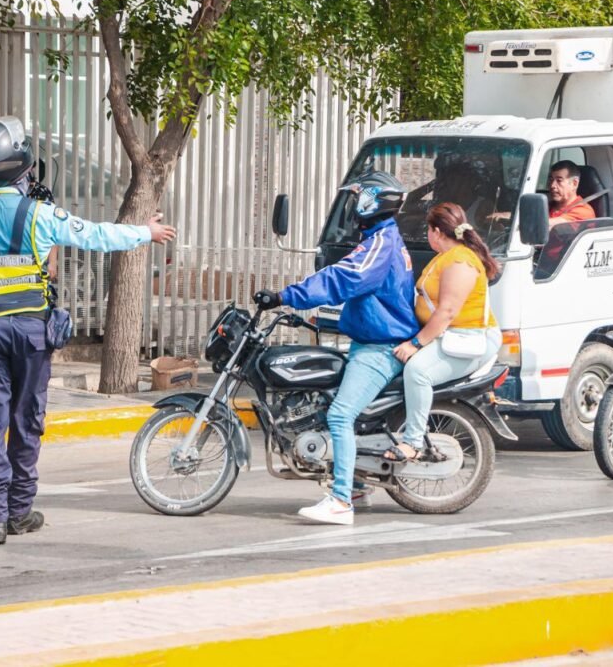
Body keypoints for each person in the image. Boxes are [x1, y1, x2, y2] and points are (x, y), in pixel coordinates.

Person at [0, 116, 176, 544]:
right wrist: (144, 232)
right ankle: (20, 510)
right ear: (21, 166)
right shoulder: (41, 214)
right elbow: (95, 235)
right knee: (27, 420)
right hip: (32, 334)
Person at [254, 170, 417, 526]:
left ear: (373, 200)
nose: (352, 205)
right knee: (332, 403)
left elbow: (342, 278)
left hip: (380, 347)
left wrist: (286, 296)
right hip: (369, 340)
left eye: (357, 197)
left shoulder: (380, 243)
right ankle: (358, 484)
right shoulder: (380, 238)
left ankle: (342, 500)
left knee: (340, 415)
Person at [391, 203, 502, 460]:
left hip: (468, 339)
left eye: (427, 231)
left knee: (418, 372)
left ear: (436, 231)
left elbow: (447, 312)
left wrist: (415, 344)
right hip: (448, 335)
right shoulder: (445, 257)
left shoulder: (461, 261)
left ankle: (414, 442)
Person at [489, 159, 594, 227]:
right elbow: (528, 216)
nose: (552, 185)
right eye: (550, 179)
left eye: (559, 180)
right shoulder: (548, 206)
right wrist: (504, 216)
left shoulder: (583, 211)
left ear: (574, 183)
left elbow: (544, 225)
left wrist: (511, 219)